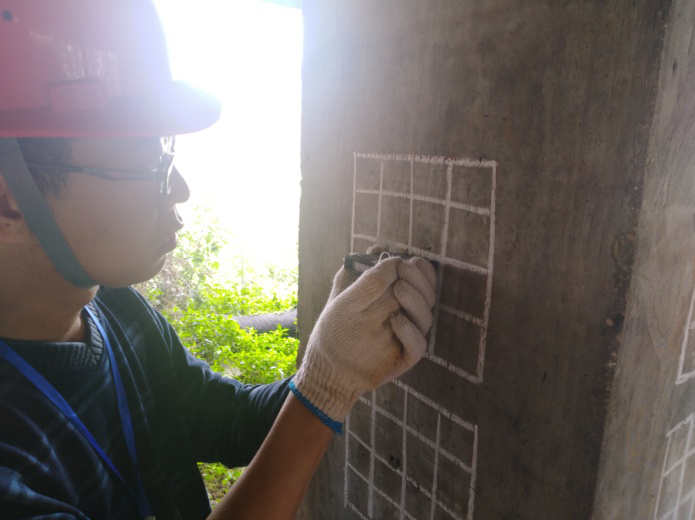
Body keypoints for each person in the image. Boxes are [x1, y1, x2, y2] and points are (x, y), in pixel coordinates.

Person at [0, 1, 437, 519]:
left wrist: (337, 356)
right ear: (9, 200)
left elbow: (231, 422)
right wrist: (325, 388)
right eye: (145, 162)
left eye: (166, 152)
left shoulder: (118, 314)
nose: (179, 189)